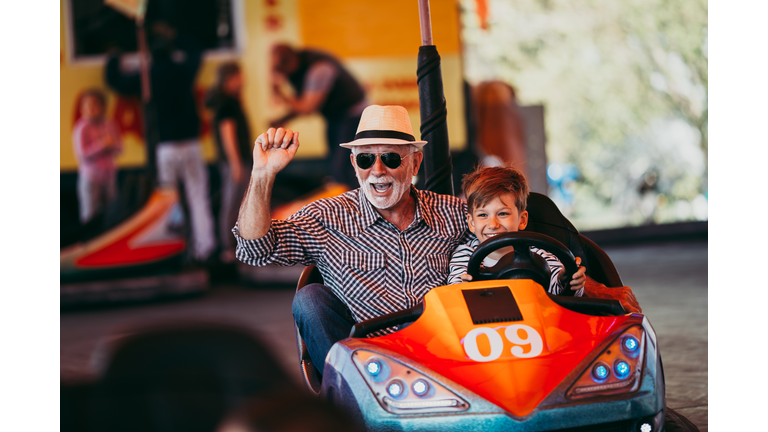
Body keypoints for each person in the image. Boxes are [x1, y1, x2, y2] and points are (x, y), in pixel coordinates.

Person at [234, 105, 471, 371]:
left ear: (415, 162)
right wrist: (262, 175)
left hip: (443, 356)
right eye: (365, 159)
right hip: (367, 368)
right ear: (353, 164)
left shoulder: (453, 213)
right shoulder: (327, 217)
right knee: (309, 299)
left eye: (391, 158)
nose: (378, 170)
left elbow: (501, 239)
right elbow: (254, 249)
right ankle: (346, 401)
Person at [105, 21, 216, 263]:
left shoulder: (148, 77)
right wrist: (175, 33)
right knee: (198, 197)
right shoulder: (183, 70)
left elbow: (114, 81)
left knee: (169, 202)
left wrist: (115, 53)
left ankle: (175, 249)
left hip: (165, 147)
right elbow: (196, 52)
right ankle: (205, 248)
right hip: (191, 144)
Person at [447, 165, 587, 296]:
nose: (493, 224)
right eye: (483, 215)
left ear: (522, 220)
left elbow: (561, 293)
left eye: (503, 214)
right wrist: (464, 287)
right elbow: (455, 290)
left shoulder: (537, 254)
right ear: (472, 223)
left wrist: (566, 279)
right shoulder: (465, 256)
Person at [269, 43, 367, 189]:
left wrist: (281, 95)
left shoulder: (319, 69)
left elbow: (307, 107)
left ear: (291, 62)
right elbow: (303, 103)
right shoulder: (297, 70)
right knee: (333, 165)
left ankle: (355, 202)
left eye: (282, 72)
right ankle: (344, 197)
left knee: (342, 166)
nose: (283, 77)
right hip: (335, 116)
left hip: (353, 114)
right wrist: (284, 119)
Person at [206, 62, 253, 263]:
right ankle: (227, 247)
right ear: (229, 79)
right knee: (232, 203)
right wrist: (235, 164)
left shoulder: (229, 101)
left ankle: (234, 245)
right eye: (238, 77)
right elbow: (228, 135)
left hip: (239, 160)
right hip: (235, 162)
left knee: (237, 203)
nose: (242, 81)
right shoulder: (226, 104)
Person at [72, 88, 123, 224]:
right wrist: (101, 146)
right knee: (90, 214)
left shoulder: (110, 124)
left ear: (102, 107)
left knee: (112, 213)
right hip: (91, 177)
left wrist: (113, 146)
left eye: (94, 104)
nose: (90, 108)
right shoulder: (81, 128)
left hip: (109, 176)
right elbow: (82, 154)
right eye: (87, 105)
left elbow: (120, 148)